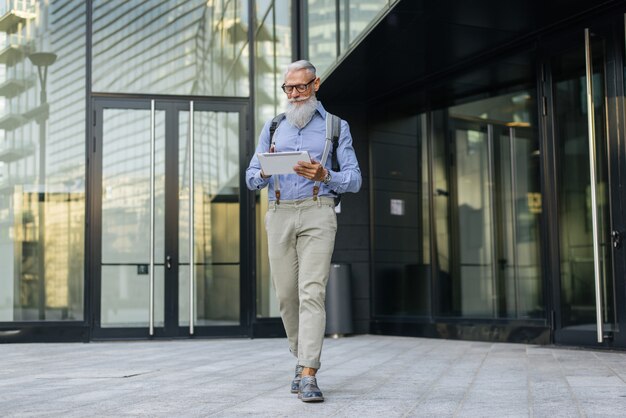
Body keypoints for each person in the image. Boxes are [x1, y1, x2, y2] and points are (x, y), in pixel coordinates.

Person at [246, 60, 361, 402]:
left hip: (318, 212)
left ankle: (309, 371)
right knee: (286, 296)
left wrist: (325, 175)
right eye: (288, 88)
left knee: (312, 291)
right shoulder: (273, 127)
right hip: (279, 212)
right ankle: (301, 359)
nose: (294, 95)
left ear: (316, 84)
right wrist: (265, 172)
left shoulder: (335, 127)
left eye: (301, 87)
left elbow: (354, 179)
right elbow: (251, 176)